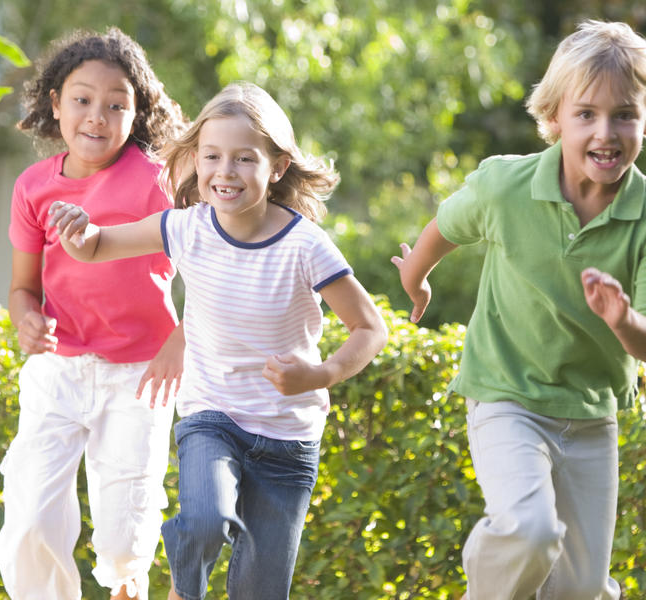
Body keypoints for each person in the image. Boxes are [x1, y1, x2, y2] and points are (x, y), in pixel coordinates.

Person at [45, 81, 388, 600]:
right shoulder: (187, 228)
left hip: (288, 439)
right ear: (196, 161)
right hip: (213, 417)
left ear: (276, 167)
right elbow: (96, 246)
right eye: (212, 156)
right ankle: (184, 590)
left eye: (244, 159)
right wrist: (78, 231)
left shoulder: (305, 246)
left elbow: (370, 327)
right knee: (204, 520)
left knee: (261, 591)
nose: (225, 171)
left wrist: (321, 374)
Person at [392, 19, 646, 600]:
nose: (606, 132)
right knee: (529, 531)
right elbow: (443, 229)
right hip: (507, 396)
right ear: (554, 118)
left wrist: (624, 319)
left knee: (579, 590)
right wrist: (415, 277)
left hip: (590, 415)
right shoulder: (506, 186)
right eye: (586, 115)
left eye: (624, 114)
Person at [0, 28, 187, 600]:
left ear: (137, 112)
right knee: (29, 516)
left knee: (125, 539)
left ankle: (128, 586)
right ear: (55, 104)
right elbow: (22, 289)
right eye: (81, 99)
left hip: (141, 376)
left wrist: (180, 341)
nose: (96, 116)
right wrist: (25, 320)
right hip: (60, 370)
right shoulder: (33, 187)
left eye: (116, 105)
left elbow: (208, 265)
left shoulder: (159, 181)